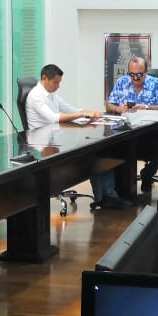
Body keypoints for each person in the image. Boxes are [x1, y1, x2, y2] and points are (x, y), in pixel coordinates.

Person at [26, 63, 128, 209]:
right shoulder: (36, 96)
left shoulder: (52, 95)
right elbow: (53, 118)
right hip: (43, 148)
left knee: (100, 152)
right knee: (92, 157)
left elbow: (72, 110)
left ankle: (108, 197)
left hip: (56, 140)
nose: (58, 86)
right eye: (56, 83)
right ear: (44, 79)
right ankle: (103, 198)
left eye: (59, 83)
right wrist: (82, 115)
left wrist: (91, 113)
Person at [105, 55, 158, 189]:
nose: (135, 78)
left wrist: (145, 107)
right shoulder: (122, 82)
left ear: (146, 72)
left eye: (139, 75)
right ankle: (124, 188)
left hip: (150, 132)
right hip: (126, 132)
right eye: (131, 74)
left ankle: (147, 173)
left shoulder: (156, 83)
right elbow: (109, 104)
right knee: (115, 149)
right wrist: (118, 108)